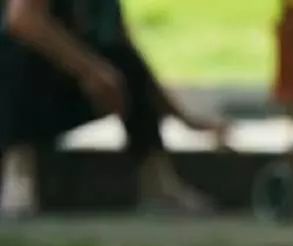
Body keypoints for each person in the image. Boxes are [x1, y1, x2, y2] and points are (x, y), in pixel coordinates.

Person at [0, 0, 224, 219]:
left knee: (124, 61)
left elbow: (125, 50)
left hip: (61, 89)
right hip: (17, 84)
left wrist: (184, 118)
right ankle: (18, 170)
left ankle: (157, 181)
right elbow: (22, 20)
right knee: (19, 56)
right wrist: (90, 71)